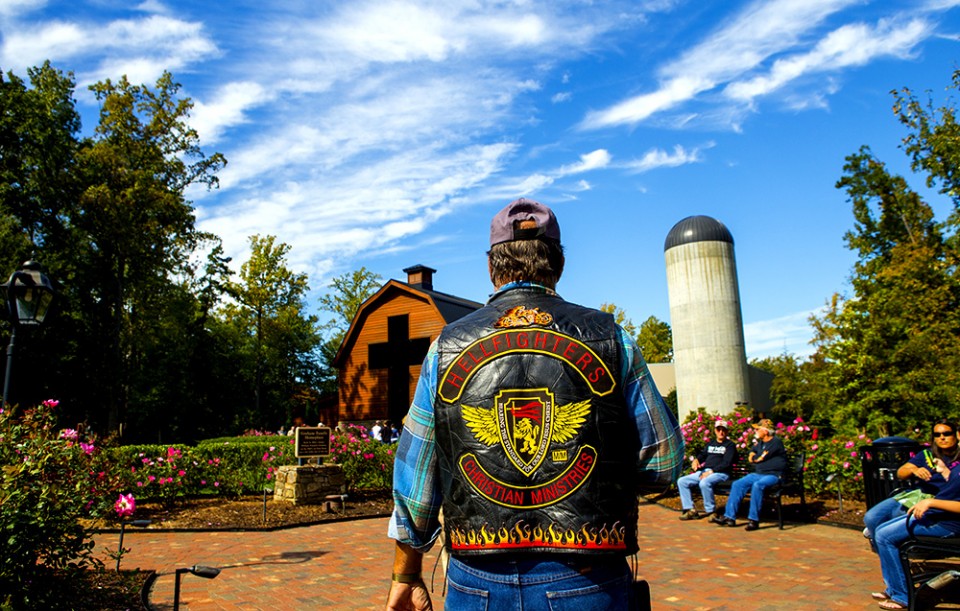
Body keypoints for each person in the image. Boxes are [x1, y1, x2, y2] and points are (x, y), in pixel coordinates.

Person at [386, 197, 684, 610]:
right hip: (587, 573)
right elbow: (662, 464)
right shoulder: (611, 338)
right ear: (558, 264)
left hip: (477, 578)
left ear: (491, 266)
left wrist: (406, 573)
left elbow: (416, 484)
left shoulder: (445, 348)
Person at [870, 458, 960, 609]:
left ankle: (901, 596)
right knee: (880, 530)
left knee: (884, 537)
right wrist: (945, 472)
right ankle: (893, 588)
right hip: (937, 516)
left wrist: (931, 503)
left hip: (949, 525)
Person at [863, 419, 960, 546]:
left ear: (956, 435)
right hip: (915, 495)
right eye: (937, 435)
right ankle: (885, 549)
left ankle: (892, 542)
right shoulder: (927, 454)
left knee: (889, 525)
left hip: (937, 501)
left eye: (947, 434)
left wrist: (945, 472)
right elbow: (900, 472)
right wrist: (914, 469)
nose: (942, 438)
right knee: (871, 518)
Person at [713, 418, 785, 531]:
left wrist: (754, 458)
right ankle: (729, 517)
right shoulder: (761, 443)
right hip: (758, 473)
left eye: (757, 429)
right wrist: (752, 455)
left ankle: (753, 520)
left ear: (765, 431)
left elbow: (760, 458)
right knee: (738, 484)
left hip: (773, 475)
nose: (755, 430)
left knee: (758, 485)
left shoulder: (776, 442)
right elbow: (752, 451)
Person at [677, 419, 737, 521]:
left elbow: (726, 463)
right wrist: (696, 460)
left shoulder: (730, 445)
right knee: (682, 481)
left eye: (723, 430)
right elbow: (703, 455)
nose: (721, 432)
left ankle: (711, 512)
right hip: (705, 472)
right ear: (715, 431)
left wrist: (711, 471)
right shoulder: (711, 443)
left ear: (727, 432)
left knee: (704, 483)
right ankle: (690, 510)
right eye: (718, 430)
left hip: (721, 473)